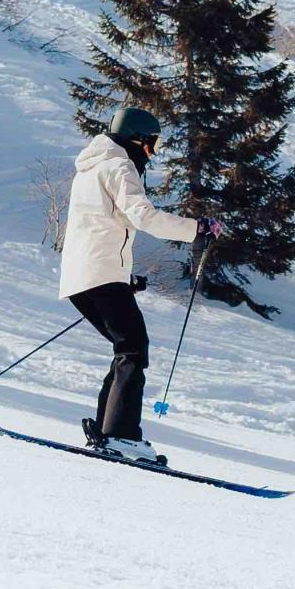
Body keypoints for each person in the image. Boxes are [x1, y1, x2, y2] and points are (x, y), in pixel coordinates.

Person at [60, 106, 222, 464]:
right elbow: (143, 216)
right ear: (137, 139)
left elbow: (98, 227)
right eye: (152, 145)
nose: (152, 153)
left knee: (126, 347)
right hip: (99, 275)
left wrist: (123, 276)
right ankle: (121, 436)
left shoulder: (90, 169)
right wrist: (196, 228)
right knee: (133, 348)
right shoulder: (119, 166)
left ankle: (109, 431)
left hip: (82, 276)